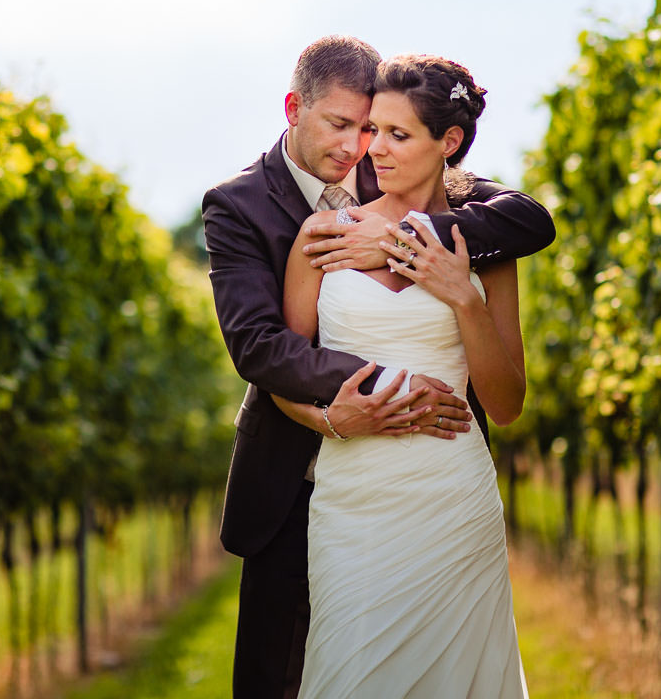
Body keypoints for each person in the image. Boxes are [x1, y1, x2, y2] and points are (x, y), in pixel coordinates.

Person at [201, 36, 555, 697]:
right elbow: (263, 351)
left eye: (376, 128)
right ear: (293, 109)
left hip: (447, 484)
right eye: (343, 126)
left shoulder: (397, 170)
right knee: (292, 676)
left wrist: (414, 247)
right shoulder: (240, 206)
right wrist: (368, 400)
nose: (363, 146)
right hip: (304, 475)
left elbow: (528, 221)